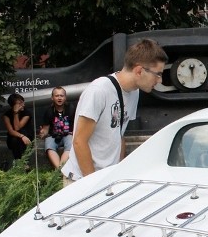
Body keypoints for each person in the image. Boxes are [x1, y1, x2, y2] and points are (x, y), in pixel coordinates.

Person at [62, 39, 168, 184]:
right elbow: (79, 142)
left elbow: (119, 134)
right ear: (139, 70)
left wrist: (117, 172)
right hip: (81, 181)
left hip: (107, 179)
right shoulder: (99, 90)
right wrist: (93, 185)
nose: (160, 80)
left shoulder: (134, 92)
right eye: (158, 74)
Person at [38, 86, 73, 171]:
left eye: (61, 95)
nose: (59, 98)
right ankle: (59, 171)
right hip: (53, 136)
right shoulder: (49, 111)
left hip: (68, 134)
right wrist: (42, 133)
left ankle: (60, 169)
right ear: (52, 98)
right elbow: (46, 130)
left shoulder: (71, 108)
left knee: (70, 145)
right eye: (57, 96)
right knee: (49, 146)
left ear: (65, 98)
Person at [2, 93, 32, 160]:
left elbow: (18, 128)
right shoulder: (6, 115)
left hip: (27, 136)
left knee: (19, 138)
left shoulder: (27, 113)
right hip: (14, 138)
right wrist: (15, 113)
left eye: (23, 102)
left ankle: (22, 161)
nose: (23, 105)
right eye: (20, 104)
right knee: (15, 140)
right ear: (13, 106)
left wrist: (16, 113)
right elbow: (11, 131)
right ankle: (22, 162)